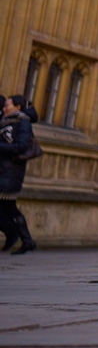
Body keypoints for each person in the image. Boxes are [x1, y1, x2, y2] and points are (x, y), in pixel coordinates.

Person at [0, 95, 37, 255]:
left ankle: (14, 234)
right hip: (4, 171)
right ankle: (26, 240)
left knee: (9, 208)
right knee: (10, 208)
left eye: (7, 105)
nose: (4, 108)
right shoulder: (5, 121)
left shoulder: (23, 123)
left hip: (10, 172)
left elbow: (21, 146)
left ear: (18, 107)